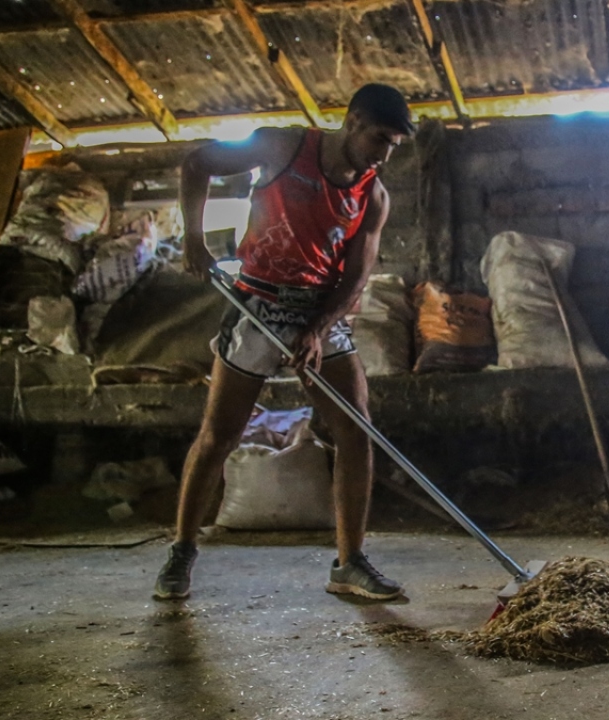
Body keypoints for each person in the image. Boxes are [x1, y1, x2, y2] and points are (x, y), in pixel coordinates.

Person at [154, 84, 416, 601]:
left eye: (395, 145)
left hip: (319, 310)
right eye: (379, 138)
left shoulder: (373, 195)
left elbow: (356, 278)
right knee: (220, 434)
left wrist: (318, 329)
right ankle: (181, 551)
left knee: (355, 429)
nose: (384, 154)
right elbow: (195, 164)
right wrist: (193, 239)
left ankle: (350, 563)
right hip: (258, 303)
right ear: (353, 120)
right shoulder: (281, 147)